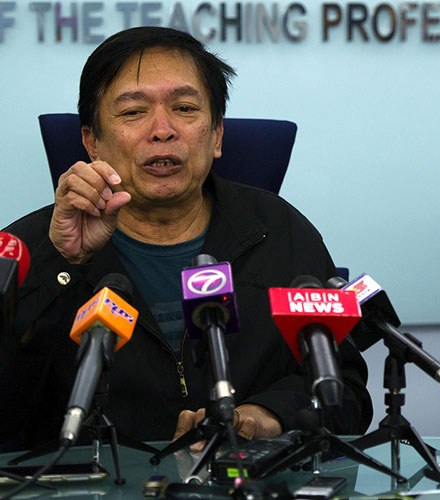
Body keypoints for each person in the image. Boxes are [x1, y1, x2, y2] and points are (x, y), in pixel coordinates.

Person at [0, 26, 372, 451]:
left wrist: (267, 415)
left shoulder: (281, 230)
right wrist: (61, 263)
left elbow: (348, 395)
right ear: (92, 142)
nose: (163, 130)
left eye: (184, 108)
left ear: (216, 135)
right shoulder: (23, 251)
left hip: (246, 479)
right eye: (133, 112)